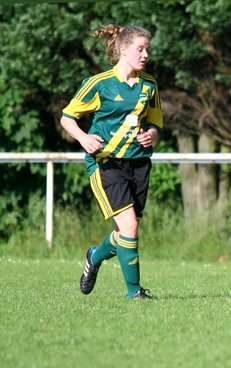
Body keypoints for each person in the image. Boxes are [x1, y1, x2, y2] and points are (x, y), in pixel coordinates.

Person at [60, 24, 162, 299]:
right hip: (106, 163)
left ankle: (94, 256)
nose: (145, 55)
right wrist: (83, 138)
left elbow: (155, 123)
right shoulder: (99, 83)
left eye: (147, 50)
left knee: (124, 232)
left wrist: (151, 136)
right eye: (140, 49)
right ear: (123, 49)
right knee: (129, 227)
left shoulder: (149, 85)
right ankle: (134, 293)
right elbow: (67, 117)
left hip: (139, 163)